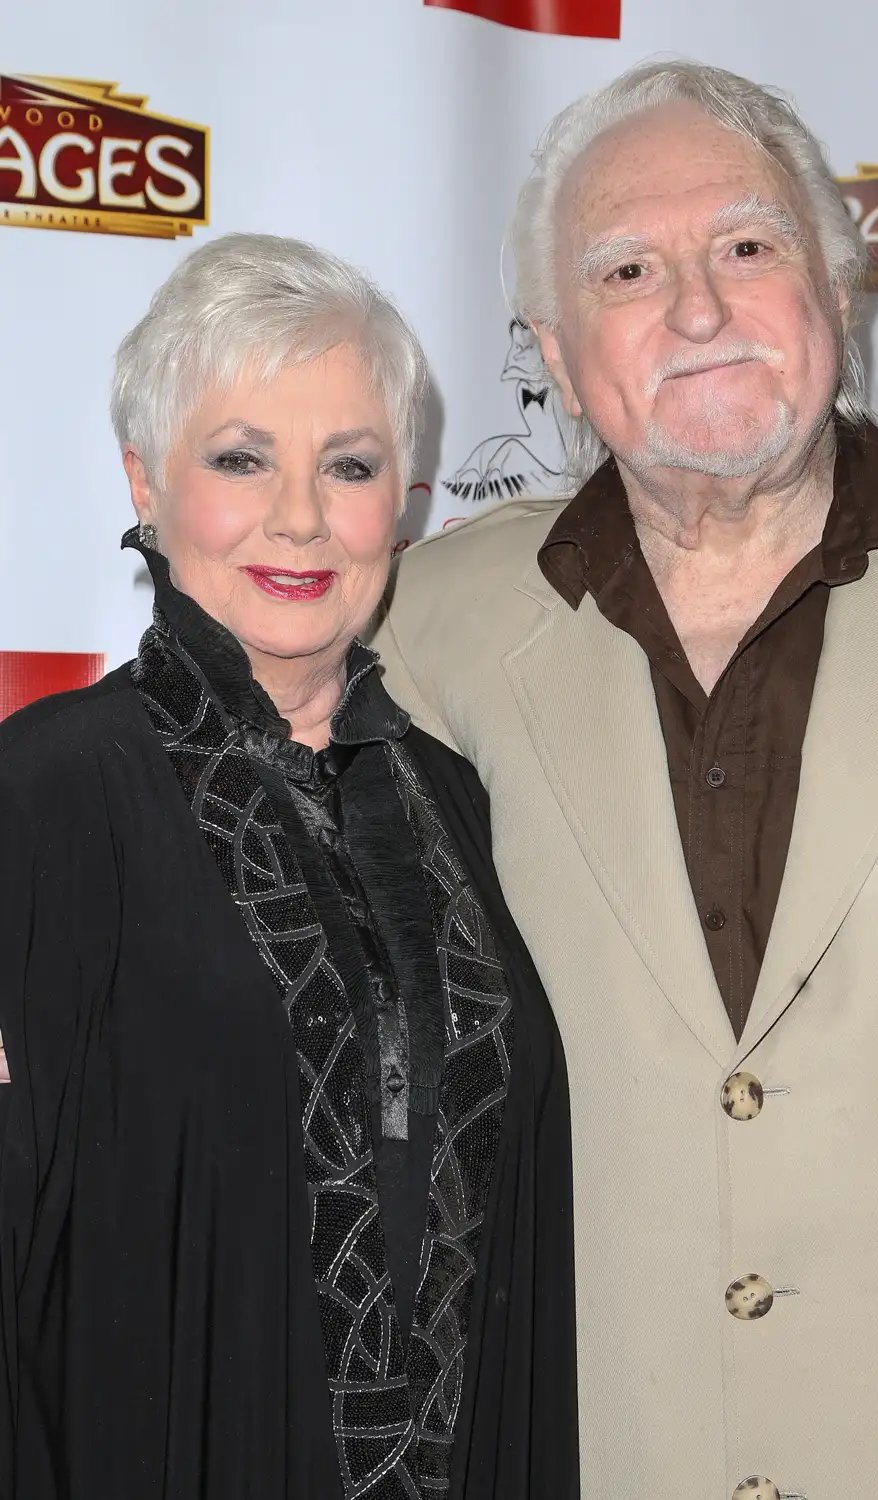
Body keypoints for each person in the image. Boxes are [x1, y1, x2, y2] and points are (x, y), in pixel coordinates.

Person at [371, 59, 878, 1500]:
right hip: (586, 1451)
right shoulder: (420, 621)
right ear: (554, 343)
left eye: (746, 245)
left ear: (838, 286)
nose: (699, 308)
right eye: (630, 267)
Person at [0, 234, 578, 1500]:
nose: (302, 517)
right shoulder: (36, 799)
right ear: (146, 480)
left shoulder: (452, 798)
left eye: (350, 466)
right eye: (242, 459)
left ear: (408, 496)